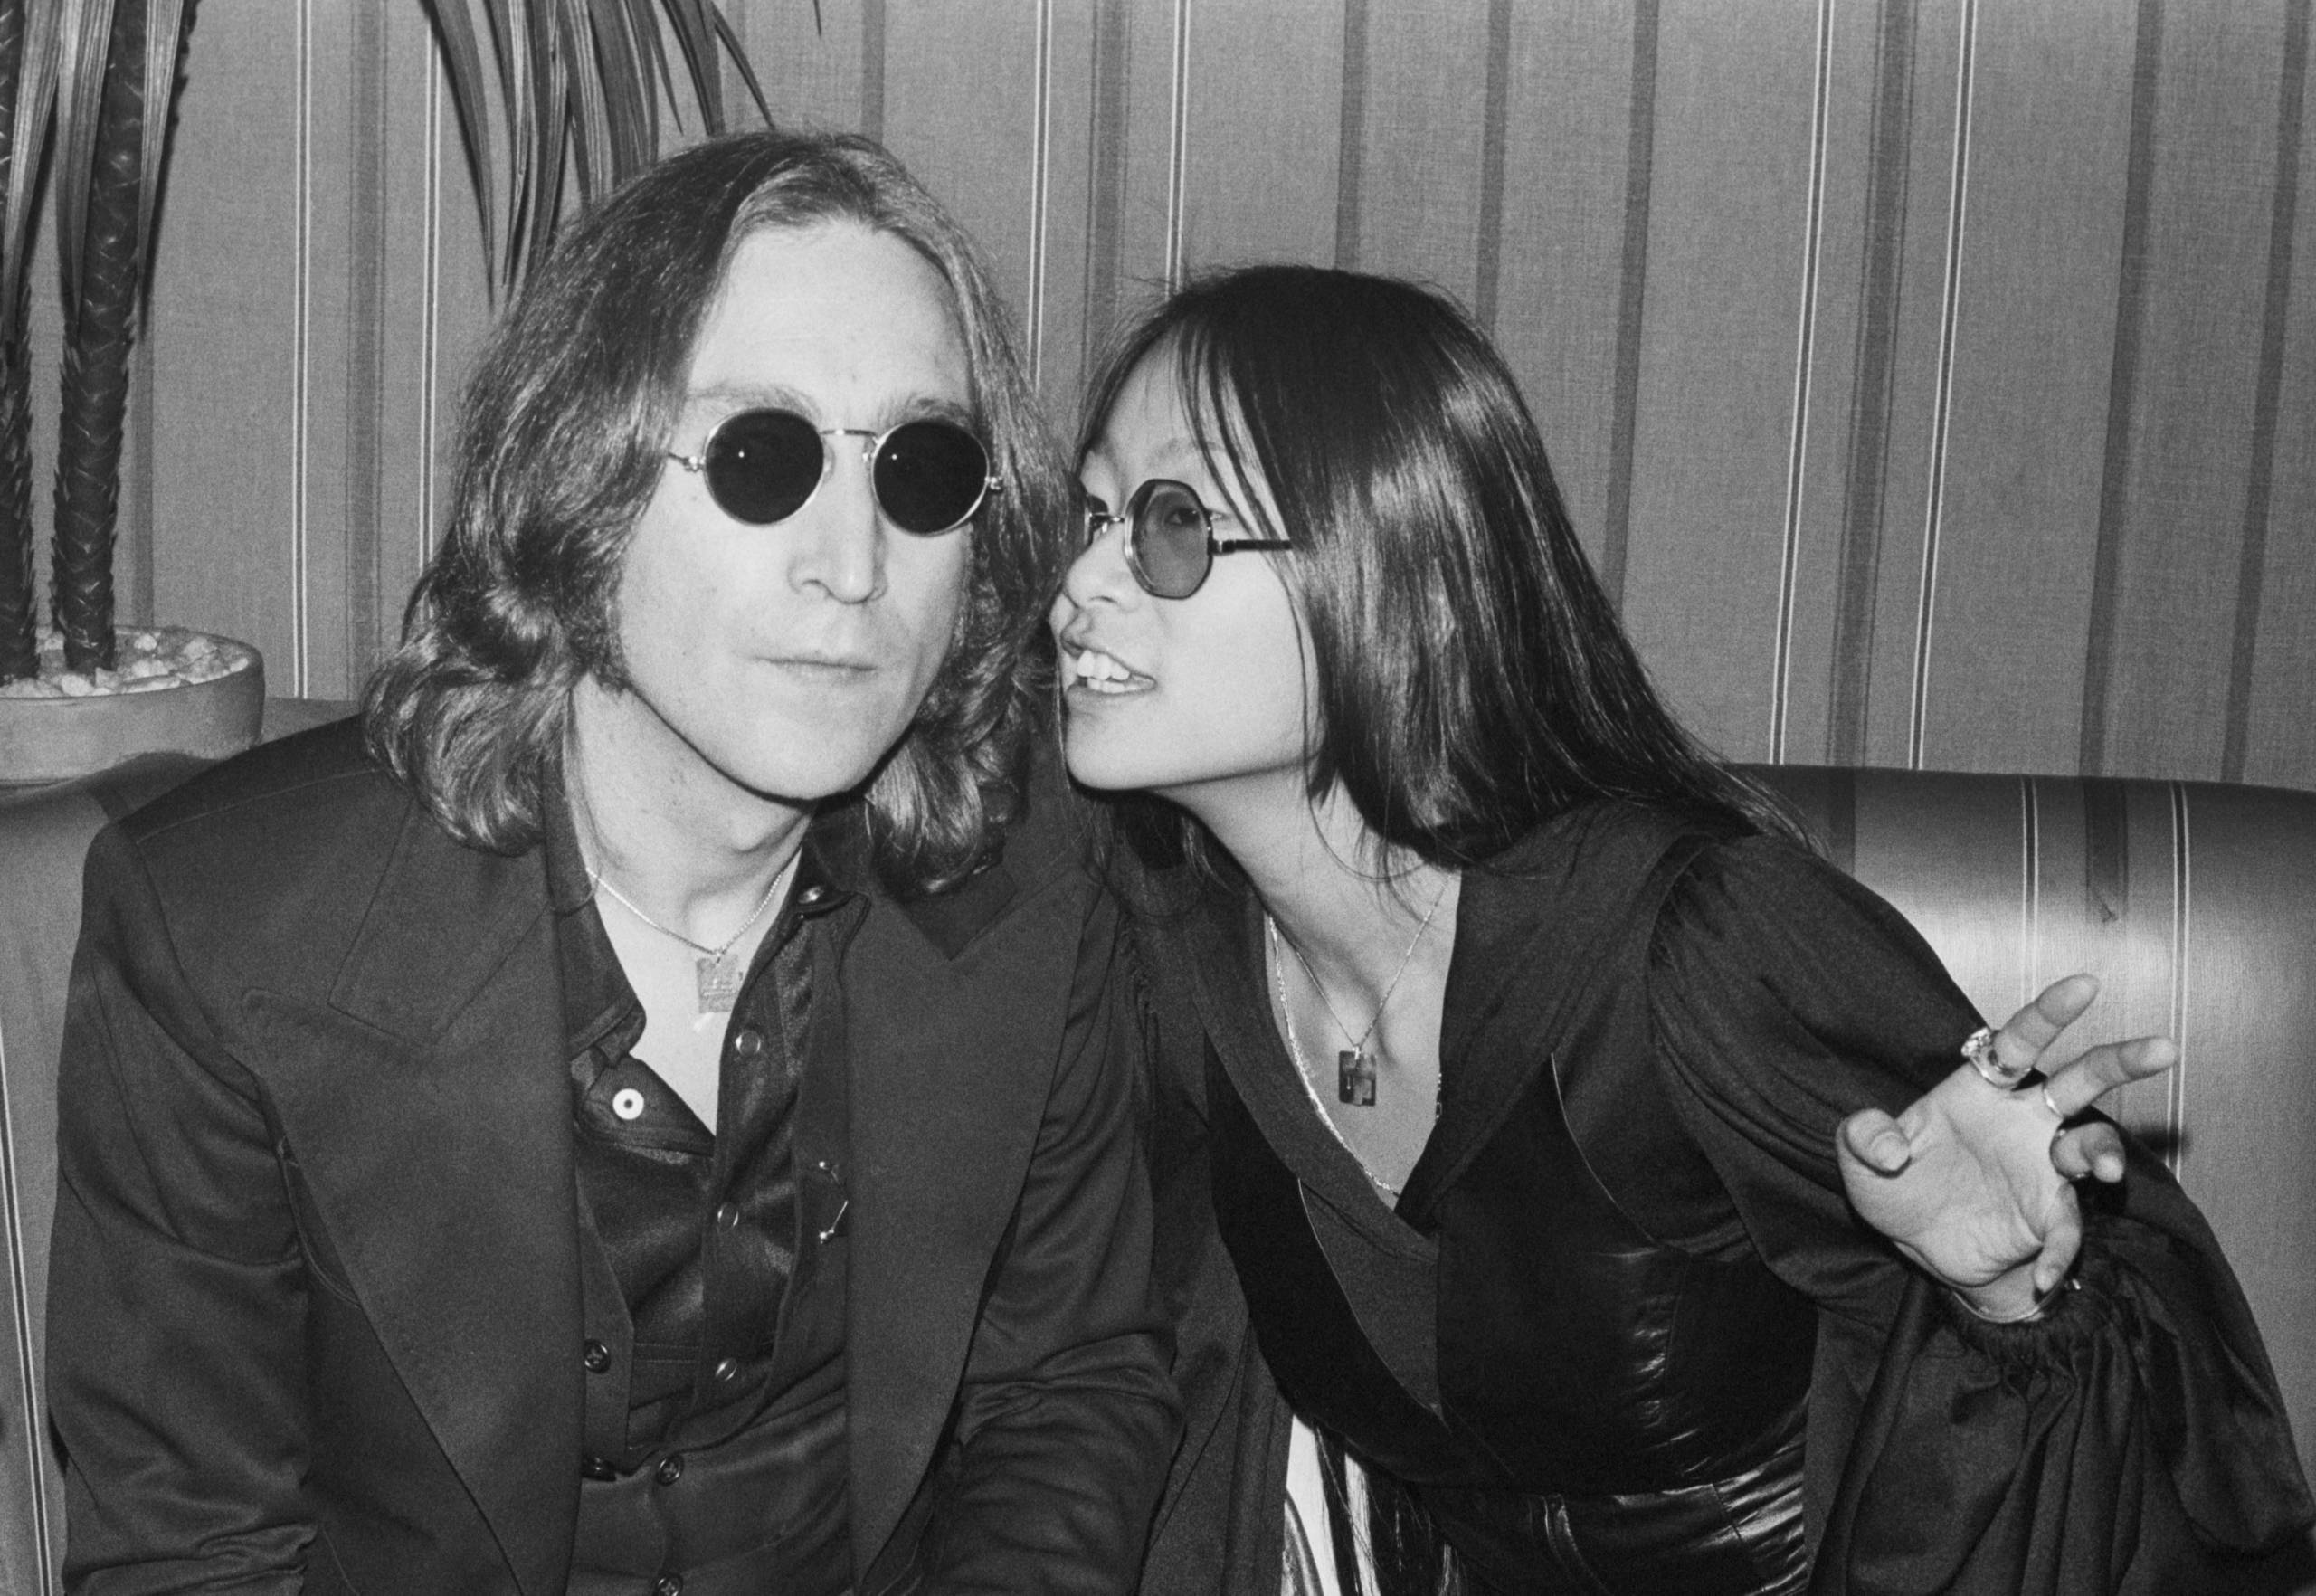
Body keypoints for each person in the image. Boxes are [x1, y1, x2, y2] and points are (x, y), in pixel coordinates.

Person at [1052, 265, 2314, 1593]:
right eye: (1090, 515)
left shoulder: (1689, 949)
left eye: (1171, 523)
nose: (1079, 583)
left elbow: (2154, 1429)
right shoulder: (1170, 960)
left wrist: (2003, 1298)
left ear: (1396, 577)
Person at [48, 130, 1176, 1595]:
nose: (854, 564)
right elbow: (196, 1556)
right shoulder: (223, 933)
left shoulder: (1032, 878)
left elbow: (1068, 1393)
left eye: (923, 468)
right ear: (578, 478)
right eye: (761, 458)